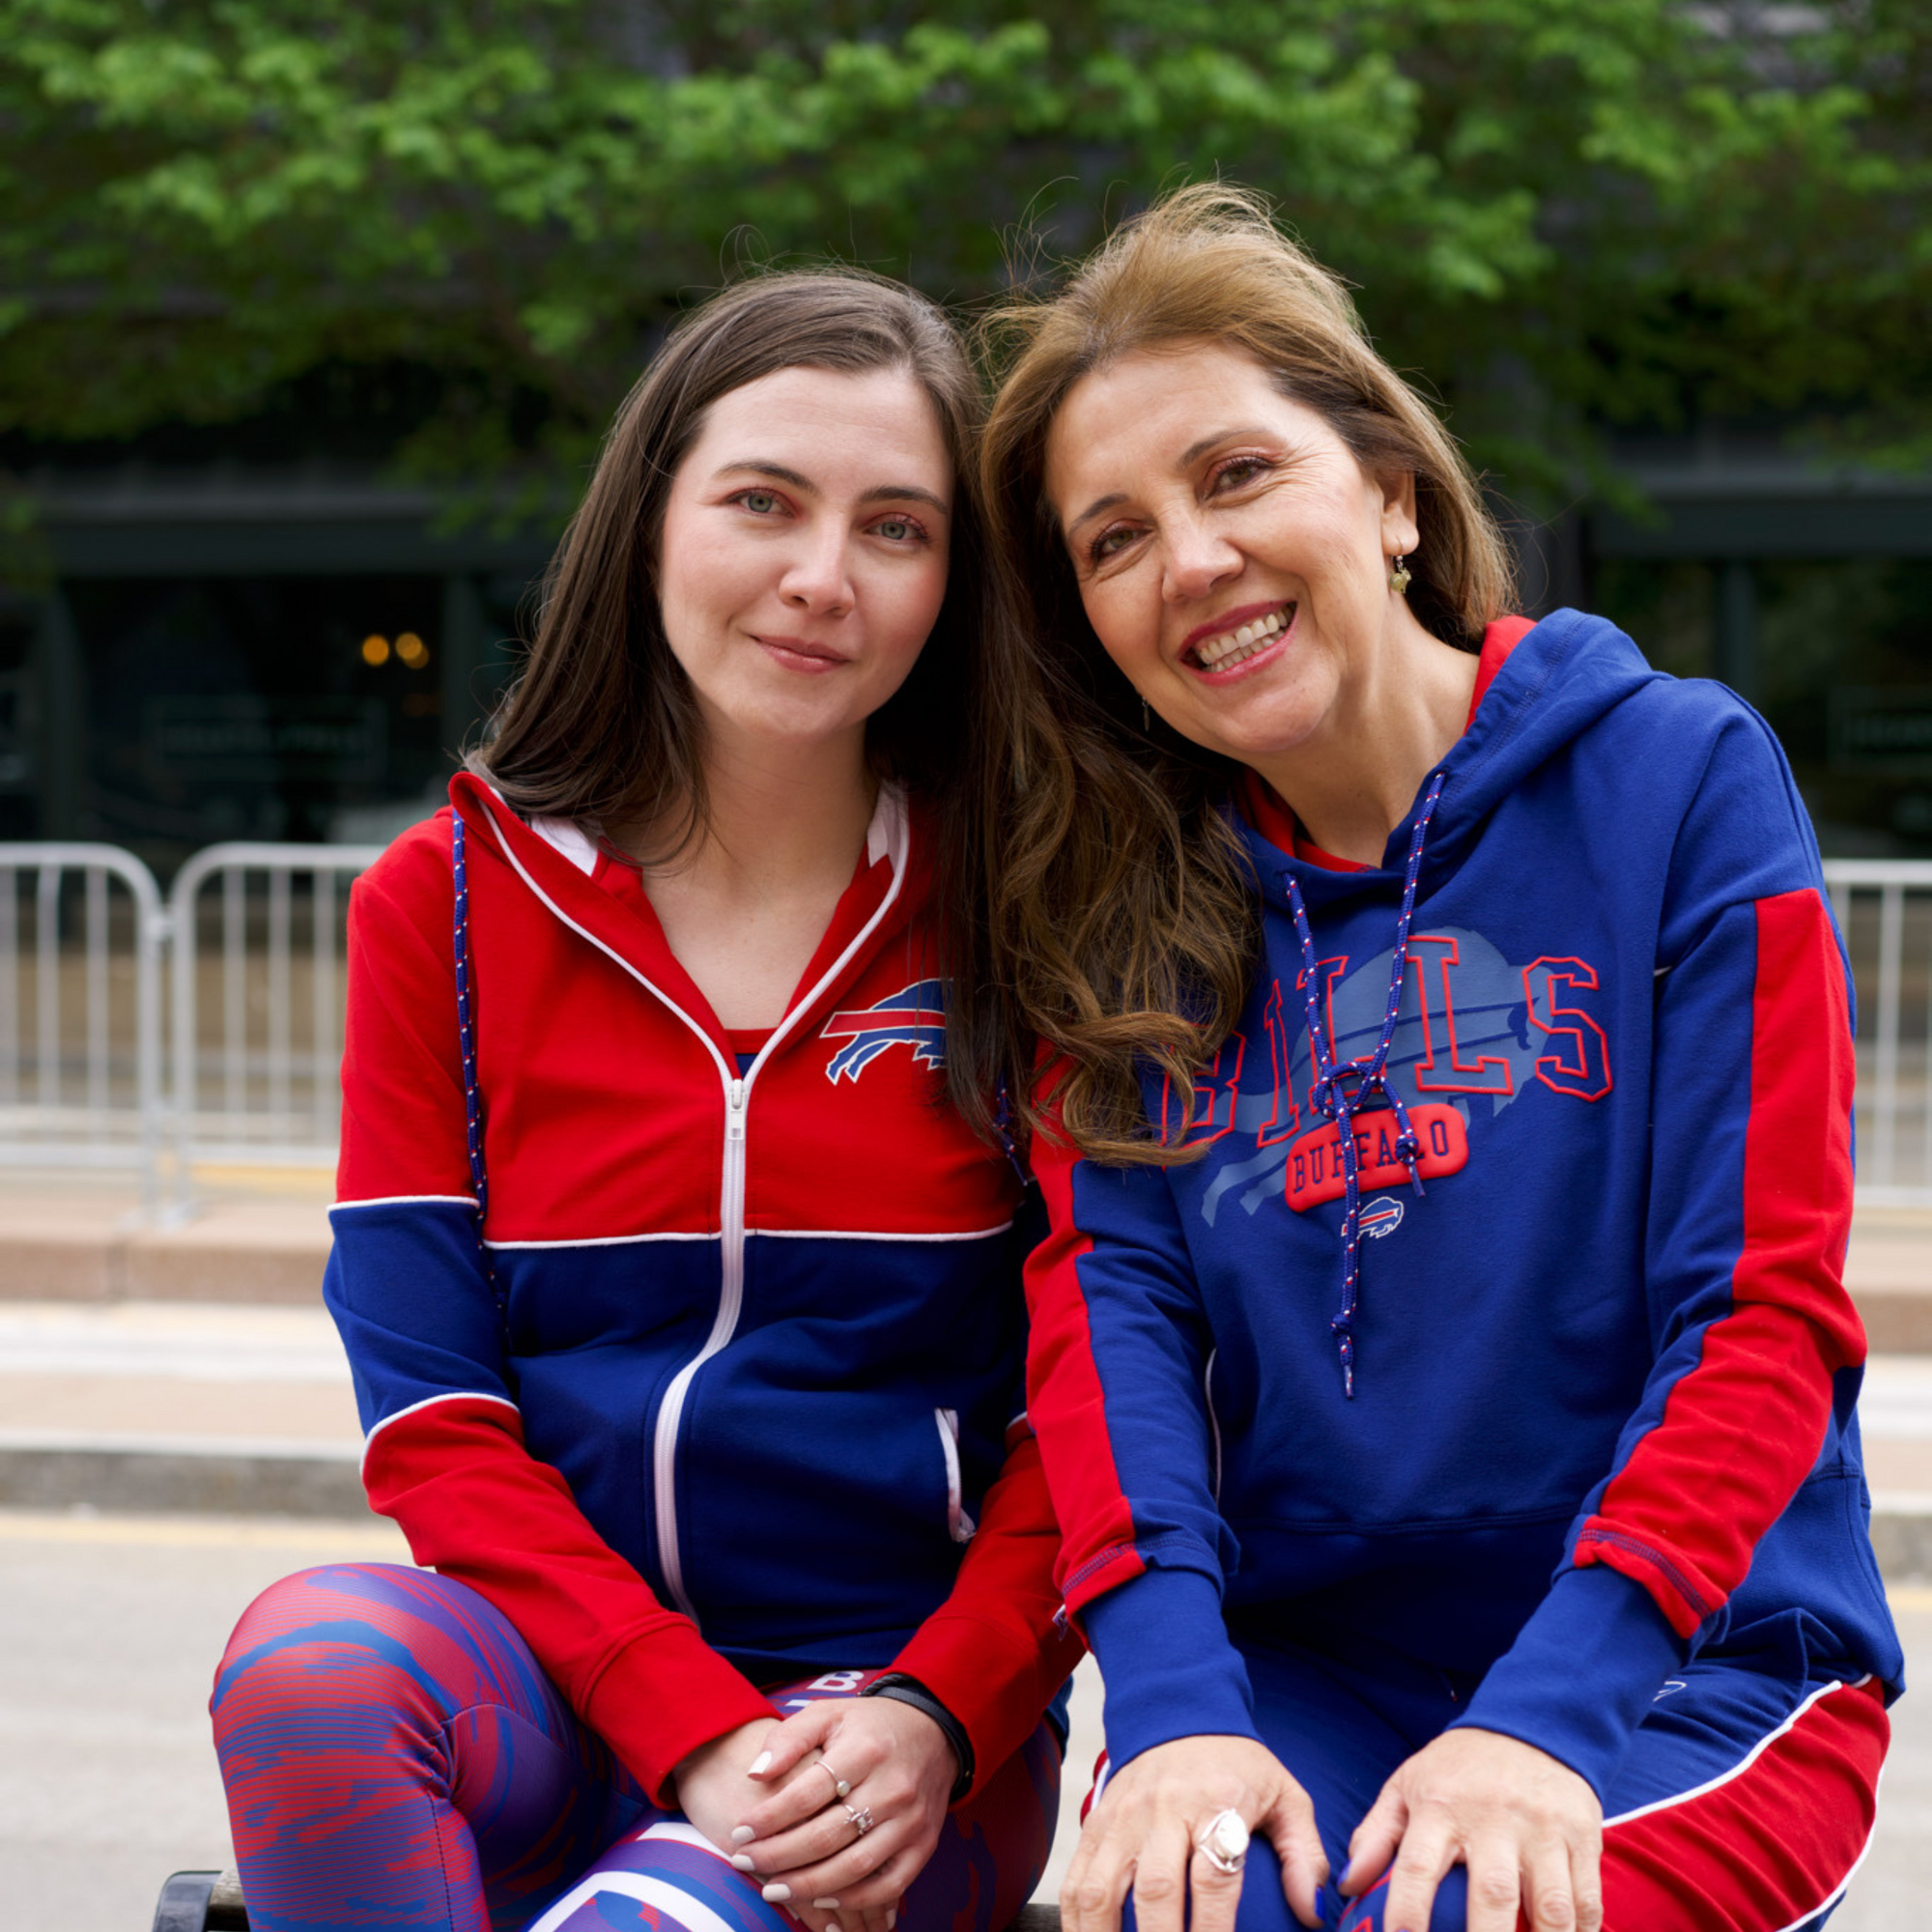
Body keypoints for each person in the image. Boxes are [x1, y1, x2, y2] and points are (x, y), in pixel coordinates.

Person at [967, 185, 1902, 1932]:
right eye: (1112, 539)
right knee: (1197, 1903)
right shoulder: (1114, 922)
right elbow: (1115, 1339)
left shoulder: (1680, 781)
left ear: (1388, 492)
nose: (1190, 562)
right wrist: (1171, 1709)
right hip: (1304, 1671)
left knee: (1469, 1910)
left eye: (1237, 474)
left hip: (1690, 1661)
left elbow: (1763, 1314)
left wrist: (1540, 1724)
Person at [210, 269, 1082, 1932]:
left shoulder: (1026, 907)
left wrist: (943, 1709)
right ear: (652, 517)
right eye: (764, 501)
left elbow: (1093, 1409)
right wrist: (676, 1721)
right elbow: (434, 1423)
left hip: (893, 1733)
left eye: (897, 529)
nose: (821, 578)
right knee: (309, 1668)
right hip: (553, 1684)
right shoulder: (446, 904)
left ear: (952, 584)